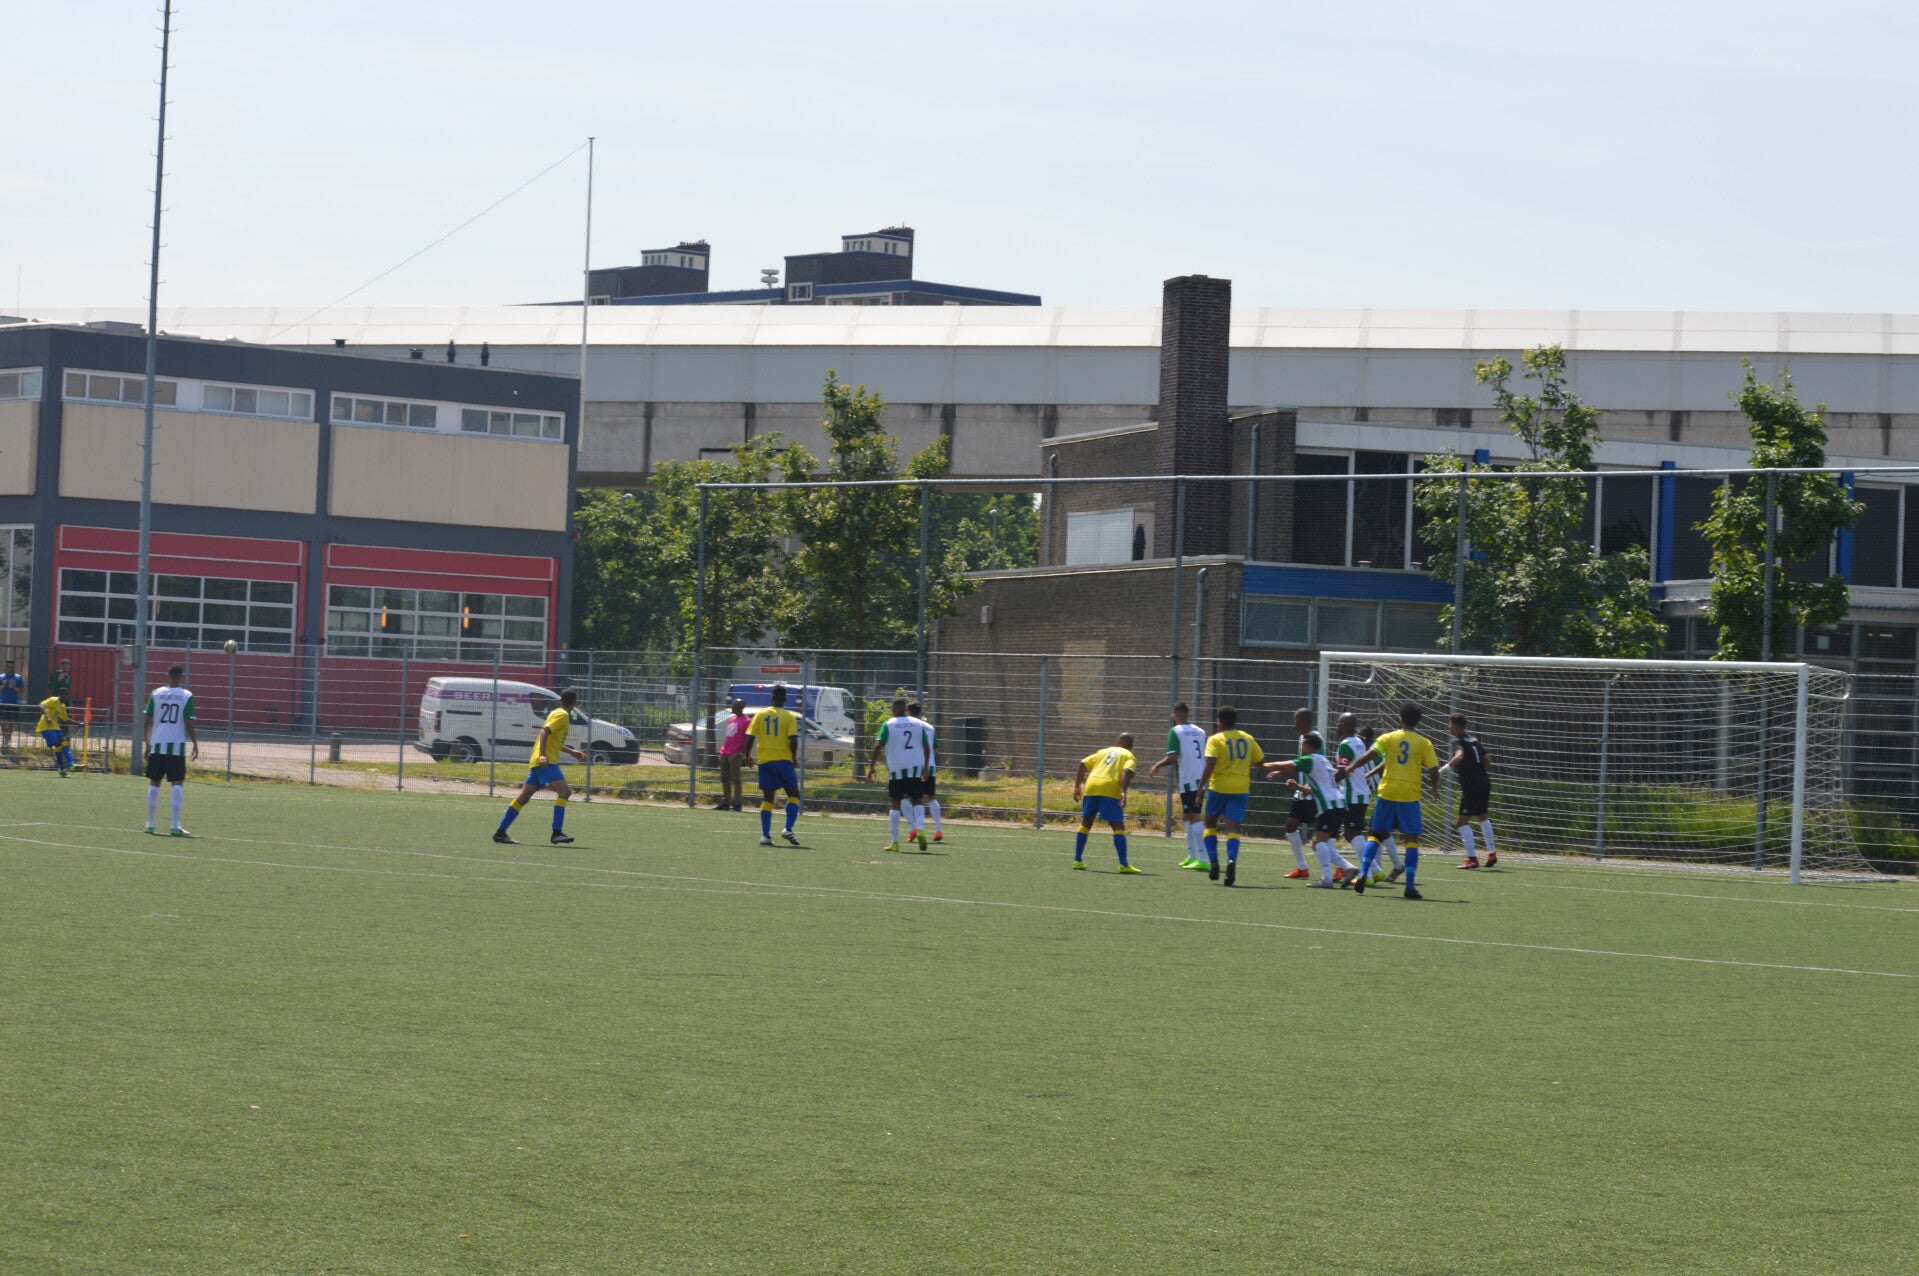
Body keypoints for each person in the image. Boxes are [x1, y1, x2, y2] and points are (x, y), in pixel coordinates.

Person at [1339, 703, 1441, 900]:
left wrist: (1352, 767)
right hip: (1409, 795)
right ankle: (1409, 886)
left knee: (1376, 835)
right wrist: (1434, 787)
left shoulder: (1387, 737)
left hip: (1387, 791)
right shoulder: (1424, 743)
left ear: (1400, 719)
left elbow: (1370, 755)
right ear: (1418, 722)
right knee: (1411, 840)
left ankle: (1364, 873)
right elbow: (1434, 771)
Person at [494, 688, 584, 845]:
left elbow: (553, 740)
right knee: (564, 792)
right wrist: (543, 755)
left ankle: (500, 833)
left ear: (561, 701)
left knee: (523, 797)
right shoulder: (563, 715)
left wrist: (571, 752)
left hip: (538, 760)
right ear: (574, 703)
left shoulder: (556, 712)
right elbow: (544, 732)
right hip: (546, 761)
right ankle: (556, 833)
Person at [1262, 732, 1348, 887]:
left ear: (1308, 746)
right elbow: (1314, 789)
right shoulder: (1324, 761)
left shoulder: (1310, 759)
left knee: (1318, 843)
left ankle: (1334, 875)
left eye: (1303, 745)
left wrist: (1263, 765)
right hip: (1338, 804)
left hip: (1329, 806)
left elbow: (1287, 765)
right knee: (1321, 841)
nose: (1301, 747)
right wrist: (1298, 787)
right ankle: (1343, 869)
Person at [1197, 706, 1264, 887]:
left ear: (1219, 722)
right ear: (1235, 721)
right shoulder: (1247, 738)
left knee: (1210, 823)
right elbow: (1260, 762)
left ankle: (1213, 861)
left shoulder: (1215, 739)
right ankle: (1232, 860)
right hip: (1240, 788)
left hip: (1219, 787)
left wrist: (1201, 787)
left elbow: (1211, 763)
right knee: (1232, 827)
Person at [1336, 714, 1399, 884]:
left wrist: (1324, 784)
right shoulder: (1359, 742)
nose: (1337, 725)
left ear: (1345, 725)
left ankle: (1368, 876)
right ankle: (1376, 871)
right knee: (1353, 833)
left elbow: (1342, 772)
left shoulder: (1346, 745)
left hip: (1353, 795)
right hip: (1362, 793)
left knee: (1353, 834)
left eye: (1339, 722)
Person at [1147, 701, 1209, 870]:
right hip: (1200, 777)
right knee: (1187, 815)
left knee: (1194, 815)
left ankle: (1203, 859)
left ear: (1175, 715)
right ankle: (1191, 856)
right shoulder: (1201, 731)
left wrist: (1157, 765)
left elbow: (1173, 757)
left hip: (1189, 779)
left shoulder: (1176, 731)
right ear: (1188, 714)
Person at [142, 664, 199, 835]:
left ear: (166, 675)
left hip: (157, 746)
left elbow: (147, 720)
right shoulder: (186, 695)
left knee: (155, 783)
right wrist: (195, 743)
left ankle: (150, 824)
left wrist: (148, 743)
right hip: (176, 747)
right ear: (182, 677)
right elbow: (188, 722)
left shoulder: (156, 693)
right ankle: (174, 826)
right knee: (177, 784)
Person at [1071, 734, 1141, 873]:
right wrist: (1123, 791)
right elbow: (1126, 771)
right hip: (1109, 787)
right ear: (1131, 747)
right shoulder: (1129, 756)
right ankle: (1124, 865)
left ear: (1117, 742)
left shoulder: (1103, 751)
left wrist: (1077, 786)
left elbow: (1083, 764)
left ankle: (1077, 860)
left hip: (1091, 785)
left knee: (1086, 823)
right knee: (1117, 825)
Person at [745, 684, 803, 846]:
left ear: (772, 697)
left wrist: (746, 755)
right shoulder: (789, 716)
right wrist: (793, 757)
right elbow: (793, 739)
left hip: (764, 762)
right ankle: (787, 828)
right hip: (782, 761)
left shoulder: (760, 714)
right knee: (794, 795)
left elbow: (750, 737)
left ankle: (765, 836)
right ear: (785, 699)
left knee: (768, 798)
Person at [872, 697, 928, 852]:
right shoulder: (918, 724)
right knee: (917, 800)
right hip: (914, 768)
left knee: (896, 802)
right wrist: (925, 767)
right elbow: (926, 746)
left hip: (897, 770)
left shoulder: (888, 724)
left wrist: (871, 767)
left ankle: (895, 842)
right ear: (905, 709)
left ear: (894, 709)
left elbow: (878, 746)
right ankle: (920, 829)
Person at [1447, 712, 1498, 868]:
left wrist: (1445, 768)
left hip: (1472, 786)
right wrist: (1479, 772)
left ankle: (1472, 859)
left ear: (1455, 725)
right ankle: (1492, 854)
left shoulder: (1457, 740)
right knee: (1483, 817)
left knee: (1462, 822)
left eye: (1450, 724)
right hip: (1484, 783)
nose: (1449, 727)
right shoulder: (1474, 740)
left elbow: (1459, 756)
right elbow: (1487, 759)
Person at [1279, 706, 1320, 880]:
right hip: (1301, 792)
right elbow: (1300, 763)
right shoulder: (1303, 738)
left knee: (1322, 833)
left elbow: (1318, 763)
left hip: (1313, 793)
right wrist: (1281, 772)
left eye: (1295, 719)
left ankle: (1341, 868)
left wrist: (1307, 788)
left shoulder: (1315, 738)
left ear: (1302, 721)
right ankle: (1302, 868)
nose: (1294, 722)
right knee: (1290, 827)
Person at [907, 701, 943, 842]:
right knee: (930, 797)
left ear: (908, 711)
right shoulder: (930, 727)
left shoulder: (910, 726)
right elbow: (936, 749)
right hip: (930, 766)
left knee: (906, 797)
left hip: (914, 767)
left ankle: (914, 828)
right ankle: (938, 830)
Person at [716, 698, 752, 812]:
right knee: (724, 778)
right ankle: (726, 802)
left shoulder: (747, 720)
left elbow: (748, 738)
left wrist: (743, 752)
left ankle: (737, 803)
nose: (732, 707)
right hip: (725, 752)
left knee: (735, 778)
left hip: (735, 753)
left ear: (740, 707)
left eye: (734, 705)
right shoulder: (732, 719)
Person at [35, 691, 75, 777]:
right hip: (46, 727)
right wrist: (47, 716)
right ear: (62, 694)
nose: (67, 698)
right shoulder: (53, 700)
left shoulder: (62, 706)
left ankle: (71, 765)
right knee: (59, 745)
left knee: (64, 744)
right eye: (66, 696)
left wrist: (78, 724)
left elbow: (65, 719)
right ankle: (63, 767)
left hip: (55, 727)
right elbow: (41, 705)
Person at [0, 657, 22, 750]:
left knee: (10, 723)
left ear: (14, 667)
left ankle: (7, 740)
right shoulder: (1, 677)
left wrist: (14, 687)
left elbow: (22, 690)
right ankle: (5, 739)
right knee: (2, 722)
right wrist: (3, 685)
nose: (10, 669)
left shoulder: (18, 677)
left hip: (14, 703)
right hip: (3, 703)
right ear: (6, 668)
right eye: (8, 667)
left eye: (12, 667)